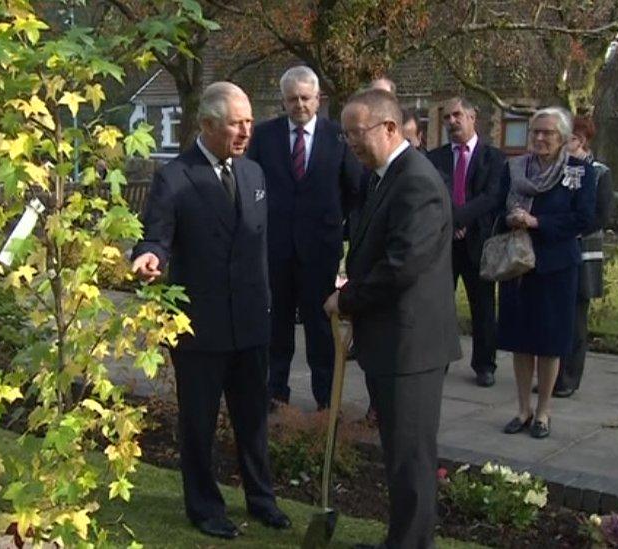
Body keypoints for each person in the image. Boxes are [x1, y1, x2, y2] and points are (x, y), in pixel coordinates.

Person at [131, 82, 291, 539]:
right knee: (199, 424)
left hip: (250, 323)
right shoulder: (175, 177)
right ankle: (204, 507)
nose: (245, 131)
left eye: (248, 122)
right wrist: (149, 256)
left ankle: (263, 500)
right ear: (206, 125)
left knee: (253, 421)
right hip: (200, 327)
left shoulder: (254, 175)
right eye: (235, 123)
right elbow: (155, 234)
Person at [325, 88, 460, 549]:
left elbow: (403, 263)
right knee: (400, 456)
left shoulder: (416, 181)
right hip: (392, 342)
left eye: (356, 134)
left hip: (412, 346)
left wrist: (346, 302)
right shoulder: (385, 177)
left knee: (411, 459)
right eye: (345, 136)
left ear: (389, 127)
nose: (351, 144)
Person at [247, 66, 362, 410]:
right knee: (277, 323)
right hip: (276, 248)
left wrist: (341, 230)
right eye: (292, 98)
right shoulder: (264, 137)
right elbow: (252, 184)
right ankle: (276, 393)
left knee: (319, 327)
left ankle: (326, 399)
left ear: (318, 99)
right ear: (283, 101)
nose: (299, 105)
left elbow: (355, 191)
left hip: (319, 250)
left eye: (305, 98)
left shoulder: (337, 138)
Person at [497, 107, 596, 439]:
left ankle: (543, 412)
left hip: (555, 266)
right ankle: (522, 408)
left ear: (565, 138)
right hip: (517, 266)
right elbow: (498, 204)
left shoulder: (580, 172)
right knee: (520, 340)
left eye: (547, 133)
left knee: (549, 341)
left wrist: (538, 222)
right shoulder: (514, 168)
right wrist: (510, 217)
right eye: (535, 131)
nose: (539, 138)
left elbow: (584, 218)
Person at [427, 97, 506, 387]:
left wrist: (461, 220)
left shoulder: (493, 158)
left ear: (473, 116)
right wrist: (451, 222)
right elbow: (435, 194)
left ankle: (485, 364)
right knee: (440, 304)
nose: (452, 122)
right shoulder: (434, 159)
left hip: (479, 242)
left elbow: (492, 196)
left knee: (483, 305)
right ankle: (439, 359)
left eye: (457, 115)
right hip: (444, 243)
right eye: (446, 117)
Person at [554, 116, 614, 398]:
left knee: (577, 317)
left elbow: (601, 215)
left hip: (583, 252)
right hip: (556, 250)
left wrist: (571, 228)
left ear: (582, 141)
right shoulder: (555, 170)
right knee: (555, 315)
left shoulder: (599, 172)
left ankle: (568, 377)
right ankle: (550, 372)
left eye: (569, 139)